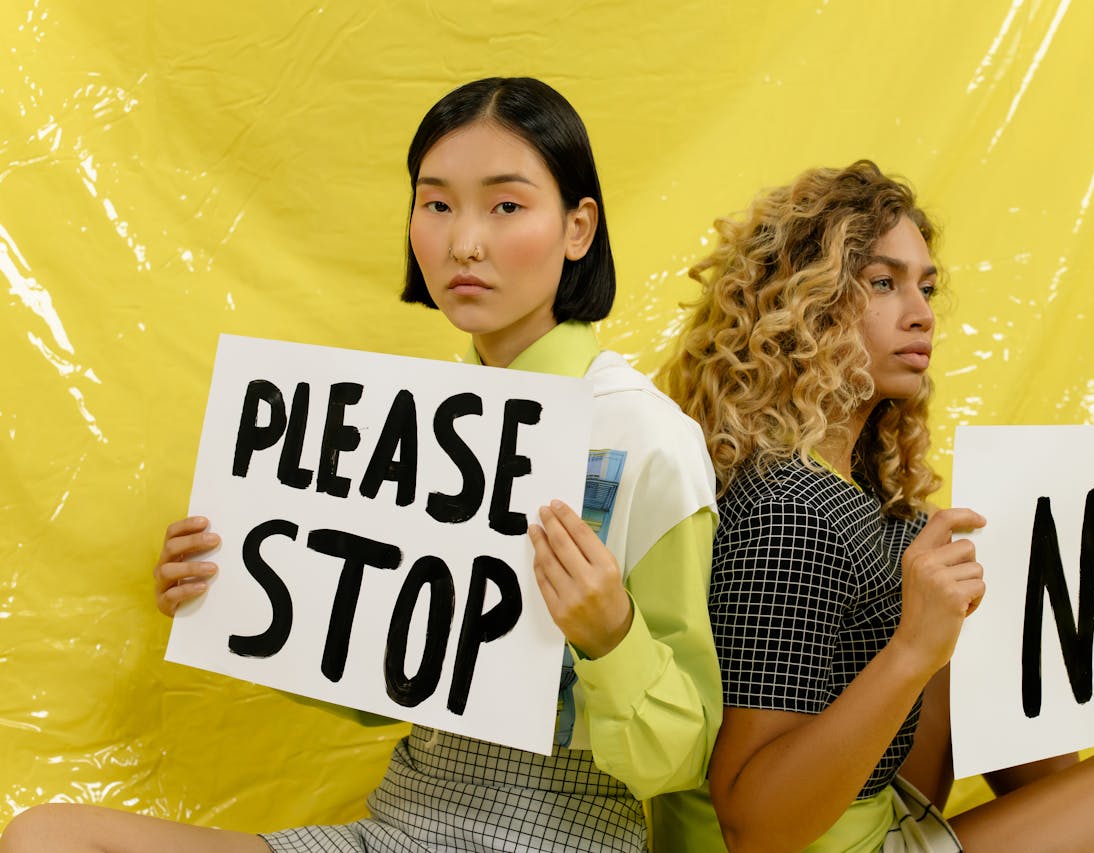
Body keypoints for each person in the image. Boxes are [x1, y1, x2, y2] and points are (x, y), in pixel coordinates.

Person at [0, 76, 720, 853]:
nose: (463, 242)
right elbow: (385, 684)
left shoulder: (647, 439)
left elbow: (680, 760)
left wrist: (611, 634)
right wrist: (231, 590)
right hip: (399, 823)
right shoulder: (408, 424)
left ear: (577, 227)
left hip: (562, 834)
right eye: (436, 204)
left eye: (505, 206)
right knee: (46, 837)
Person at [655, 160, 1094, 852]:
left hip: (882, 808)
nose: (922, 313)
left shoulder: (859, 494)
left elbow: (1010, 682)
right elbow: (752, 828)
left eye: (926, 287)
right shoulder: (792, 509)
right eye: (884, 283)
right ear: (801, 304)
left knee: (972, 612)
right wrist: (914, 647)